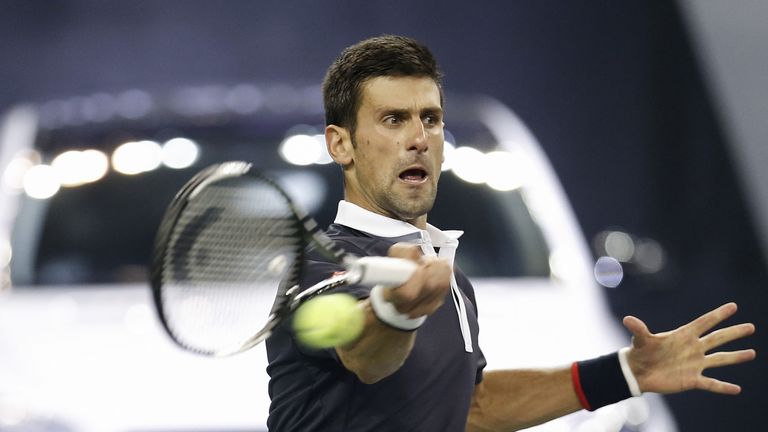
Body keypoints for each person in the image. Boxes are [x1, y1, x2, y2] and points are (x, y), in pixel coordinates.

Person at [265, 35, 756, 431]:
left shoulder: (452, 282)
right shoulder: (319, 267)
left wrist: (627, 372)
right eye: (393, 120)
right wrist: (397, 311)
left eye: (430, 119)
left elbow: (472, 410)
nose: (419, 139)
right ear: (341, 145)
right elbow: (365, 357)